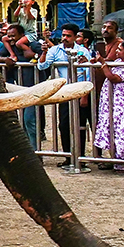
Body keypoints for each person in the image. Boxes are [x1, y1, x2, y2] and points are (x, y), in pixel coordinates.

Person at [37, 22, 92, 164]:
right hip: (65, 92)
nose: (65, 38)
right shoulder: (55, 50)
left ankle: (80, 157)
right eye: (63, 35)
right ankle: (68, 156)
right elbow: (42, 65)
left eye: (68, 36)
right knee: (64, 124)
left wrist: (85, 96)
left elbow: (88, 73)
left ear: (74, 37)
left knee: (79, 125)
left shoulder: (83, 51)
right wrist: (44, 52)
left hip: (79, 91)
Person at [93, 38, 124, 174]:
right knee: (112, 129)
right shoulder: (118, 62)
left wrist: (103, 64)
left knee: (122, 131)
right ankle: (115, 160)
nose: (117, 52)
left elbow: (114, 78)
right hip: (112, 102)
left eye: (120, 50)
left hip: (123, 102)